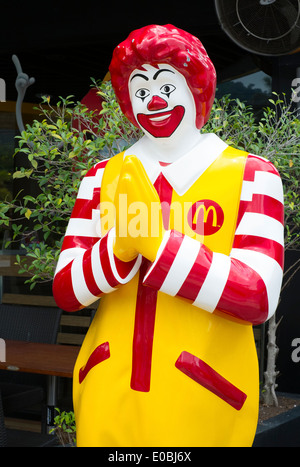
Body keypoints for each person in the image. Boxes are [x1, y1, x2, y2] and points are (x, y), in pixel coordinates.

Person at [53, 24, 284, 447]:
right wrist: (119, 250)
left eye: (166, 84)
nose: (153, 100)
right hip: (107, 387)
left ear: (196, 89)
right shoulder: (100, 179)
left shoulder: (253, 175)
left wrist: (158, 245)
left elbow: (258, 296)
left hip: (205, 393)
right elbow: (67, 291)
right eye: (139, 90)